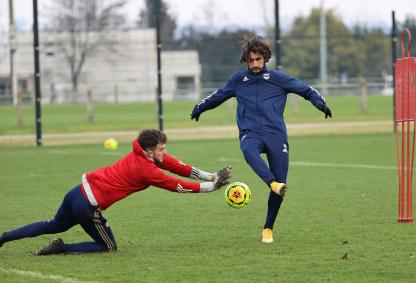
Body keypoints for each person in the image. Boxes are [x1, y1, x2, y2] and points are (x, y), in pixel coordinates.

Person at [190, 36, 332, 243]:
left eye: (258, 59)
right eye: (251, 60)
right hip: (251, 133)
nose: (255, 64)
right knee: (248, 152)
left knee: (281, 185)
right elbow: (217, 96)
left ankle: (268, 229)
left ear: (265, 58)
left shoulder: (278, 78)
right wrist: (200, 107)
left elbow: (306, 90)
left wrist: (319, 102)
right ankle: (272, 183)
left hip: (276, 134)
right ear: (246, 61)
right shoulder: (238, 81)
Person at [0, 129, 231, 255]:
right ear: (150, 151)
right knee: (108, 247)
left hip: (76, 192)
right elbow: (176, 185)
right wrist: (211, 188)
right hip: (88, 207)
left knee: (52, 224)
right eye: (162, 148)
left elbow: (178, 167)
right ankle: (62, 248)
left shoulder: (141, 152)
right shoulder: (147, 169)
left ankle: (4, 237)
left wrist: (210, 176)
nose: (165, 151)